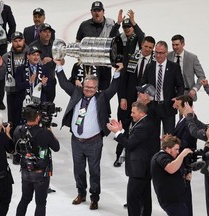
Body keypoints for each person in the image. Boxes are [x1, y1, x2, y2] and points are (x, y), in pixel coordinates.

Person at [54, 58, 122, 210]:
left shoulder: (101, 97)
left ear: (97, 88)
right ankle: (81, 193)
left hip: (94, 141)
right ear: (83, 85)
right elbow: (64, 84)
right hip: (76, 141)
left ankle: (94, 197)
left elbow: (113, 88)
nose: (89, 89)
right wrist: (59, 66)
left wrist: (117, 73)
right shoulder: (76, 93)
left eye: (92, 87)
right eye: (87, 86)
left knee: (94, 171)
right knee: (78, 170)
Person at [107, 102, 156, 216]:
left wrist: (117, 133)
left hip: (140, 169)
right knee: (144, 196)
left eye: (133, 112)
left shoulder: (143, 125)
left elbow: (129, 144)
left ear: (141, 112)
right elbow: (133, 138)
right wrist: (122, 131)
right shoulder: (143, 122)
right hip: (143, 168)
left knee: (133, 198)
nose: (131, 115)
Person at [114, 36, 155, 167]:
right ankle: (119, 155)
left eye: (150, 47)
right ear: (141, 45)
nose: (147, 49)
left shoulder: (155, 61)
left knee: (140, 129)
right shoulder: (132, 57)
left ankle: (139, 156)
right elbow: (123, 79)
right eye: (146, 46)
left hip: (145, 102)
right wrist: (122, 97)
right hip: (129, 98)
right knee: (124, 126)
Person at [13, 105, 60, 216]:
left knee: (25, 199)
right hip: (41, 173)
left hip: (25, 170)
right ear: (38, 117)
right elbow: (56, 147)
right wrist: (49, 130)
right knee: (40, 203)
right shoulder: (45, 133)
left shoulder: (18, 130)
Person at [140, 40, 184, 136]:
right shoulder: (150, 66)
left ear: (166, 53)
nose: (158, 55)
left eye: (161, 53)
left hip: (168, 107)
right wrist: (144, 94)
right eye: (156, 52)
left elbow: (180, 85)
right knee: (152, 136)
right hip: (152, 107)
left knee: (169, 137)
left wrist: (178, 98)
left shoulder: (174, 67)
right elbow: (143, 83)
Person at [151, 135, 193, 216]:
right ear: (167, 148)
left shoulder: (168, 157)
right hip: (171, 201)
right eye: (176, 149)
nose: (177, 152)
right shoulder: (161, 157)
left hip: (176, 199)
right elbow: (171, 168)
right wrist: (182, 154)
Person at [0, 31, 29, 131]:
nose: (18, 43)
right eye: (15, 41)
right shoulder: (6, 56)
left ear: (24, 41)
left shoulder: (31, 54)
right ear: (11, 42)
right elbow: (0, 76)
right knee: (13, 121)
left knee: (28, 119)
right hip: (12, 92)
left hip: (28, 92)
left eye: (20, 40)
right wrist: (0, 66)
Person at [172, 95, 197, 216]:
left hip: (184, 161)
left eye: (177, 105)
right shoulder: (183, 117)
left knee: (185, 193)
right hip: (181, 159)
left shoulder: (190, 120)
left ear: (186, 105)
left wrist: (172, 143)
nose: (175, 106)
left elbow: (188, 143)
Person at [167, 34, 206, 101]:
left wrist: (194, 89)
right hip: (170, 93)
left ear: (183, 44)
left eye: (177, 45)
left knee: (186, 111)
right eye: (173, 45)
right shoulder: (168, 56)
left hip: (187, 94)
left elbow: (201, 76)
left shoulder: (192, 58)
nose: (174, 47)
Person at [15, 46, 50, 113]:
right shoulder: (20, 69)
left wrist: (44, 84)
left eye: (38, 55)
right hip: (24, 103)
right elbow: (17, 87)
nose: (36, 57)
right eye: (33, 55)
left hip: (40, 104)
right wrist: (29, 83)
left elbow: (49, 89)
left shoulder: (44, 69)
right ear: (28, 56)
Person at [29, 23, 56, 102]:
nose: (47, 34)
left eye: (49, 32)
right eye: (45, 31)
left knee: (49, 105)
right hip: (37, 81)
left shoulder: (54, 45)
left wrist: (61, 60)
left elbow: (62, 61)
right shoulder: (33, 46)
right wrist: (41, 62)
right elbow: (28, 63)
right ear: (39, 33)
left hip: (50, 79)